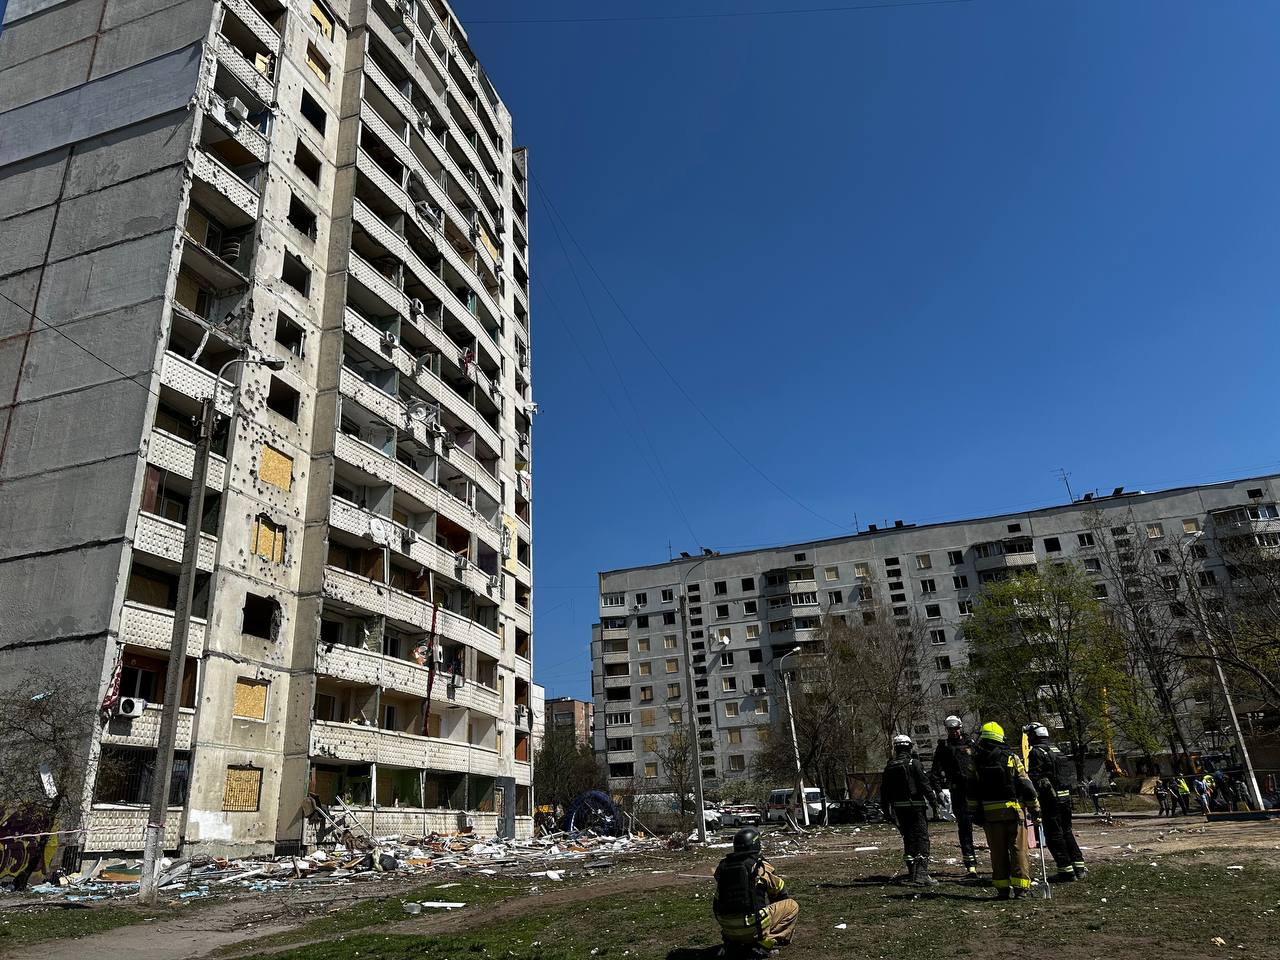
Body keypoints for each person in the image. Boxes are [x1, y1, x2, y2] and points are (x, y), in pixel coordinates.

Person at [973, 721, 1039, 900]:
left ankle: (1002, 889)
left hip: (990, 814)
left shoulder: (976, 761)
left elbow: (971, 789)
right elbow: (1026, 785)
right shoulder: (1012, 758)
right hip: (1013, 812)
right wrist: (1035, 808)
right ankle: (1021, 890)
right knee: (1019, 851)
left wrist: (974, 813)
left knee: (998, 852)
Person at [713, 828, 799, 955]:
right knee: (792, 906)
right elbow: (780, 889)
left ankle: (732, 943)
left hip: (728, 930)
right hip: (752, 928)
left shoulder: (723, 868)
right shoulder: (758, 866)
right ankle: (765, 943)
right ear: (756, 844)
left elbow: (717, 903)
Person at [1025, 724, 1087, 882]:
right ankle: (1079, 867)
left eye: (1029, 735)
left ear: (1035, 736)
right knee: (1067, 831)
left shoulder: (1036, 752)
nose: (1028, 738)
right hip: (1065, 798)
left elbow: (1035, 776)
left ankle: (1066, 870)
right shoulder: (1058, 750)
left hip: (1050, 800)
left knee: (1053, 835)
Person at [882, 734, 939, 887]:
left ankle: (912, 872)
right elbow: (924, 784)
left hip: (899, 809)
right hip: (916, 807)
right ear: (909, 747)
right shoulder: (914, 763)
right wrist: (934, 802)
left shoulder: (890, 766)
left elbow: (884, 791)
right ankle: (921, 875)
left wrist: (886, 811)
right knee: (922, 839)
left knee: (909, 839)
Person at [931, 715, 981, 878]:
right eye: (951, 729)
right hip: (958, 792)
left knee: (988, 825)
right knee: (965, 829)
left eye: (956, 728)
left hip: (976, 791)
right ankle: (971, 866)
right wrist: (938, 791)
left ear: (961, 727)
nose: (954, 732)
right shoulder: (944, 747)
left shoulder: (972, 744)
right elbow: (935, 772)